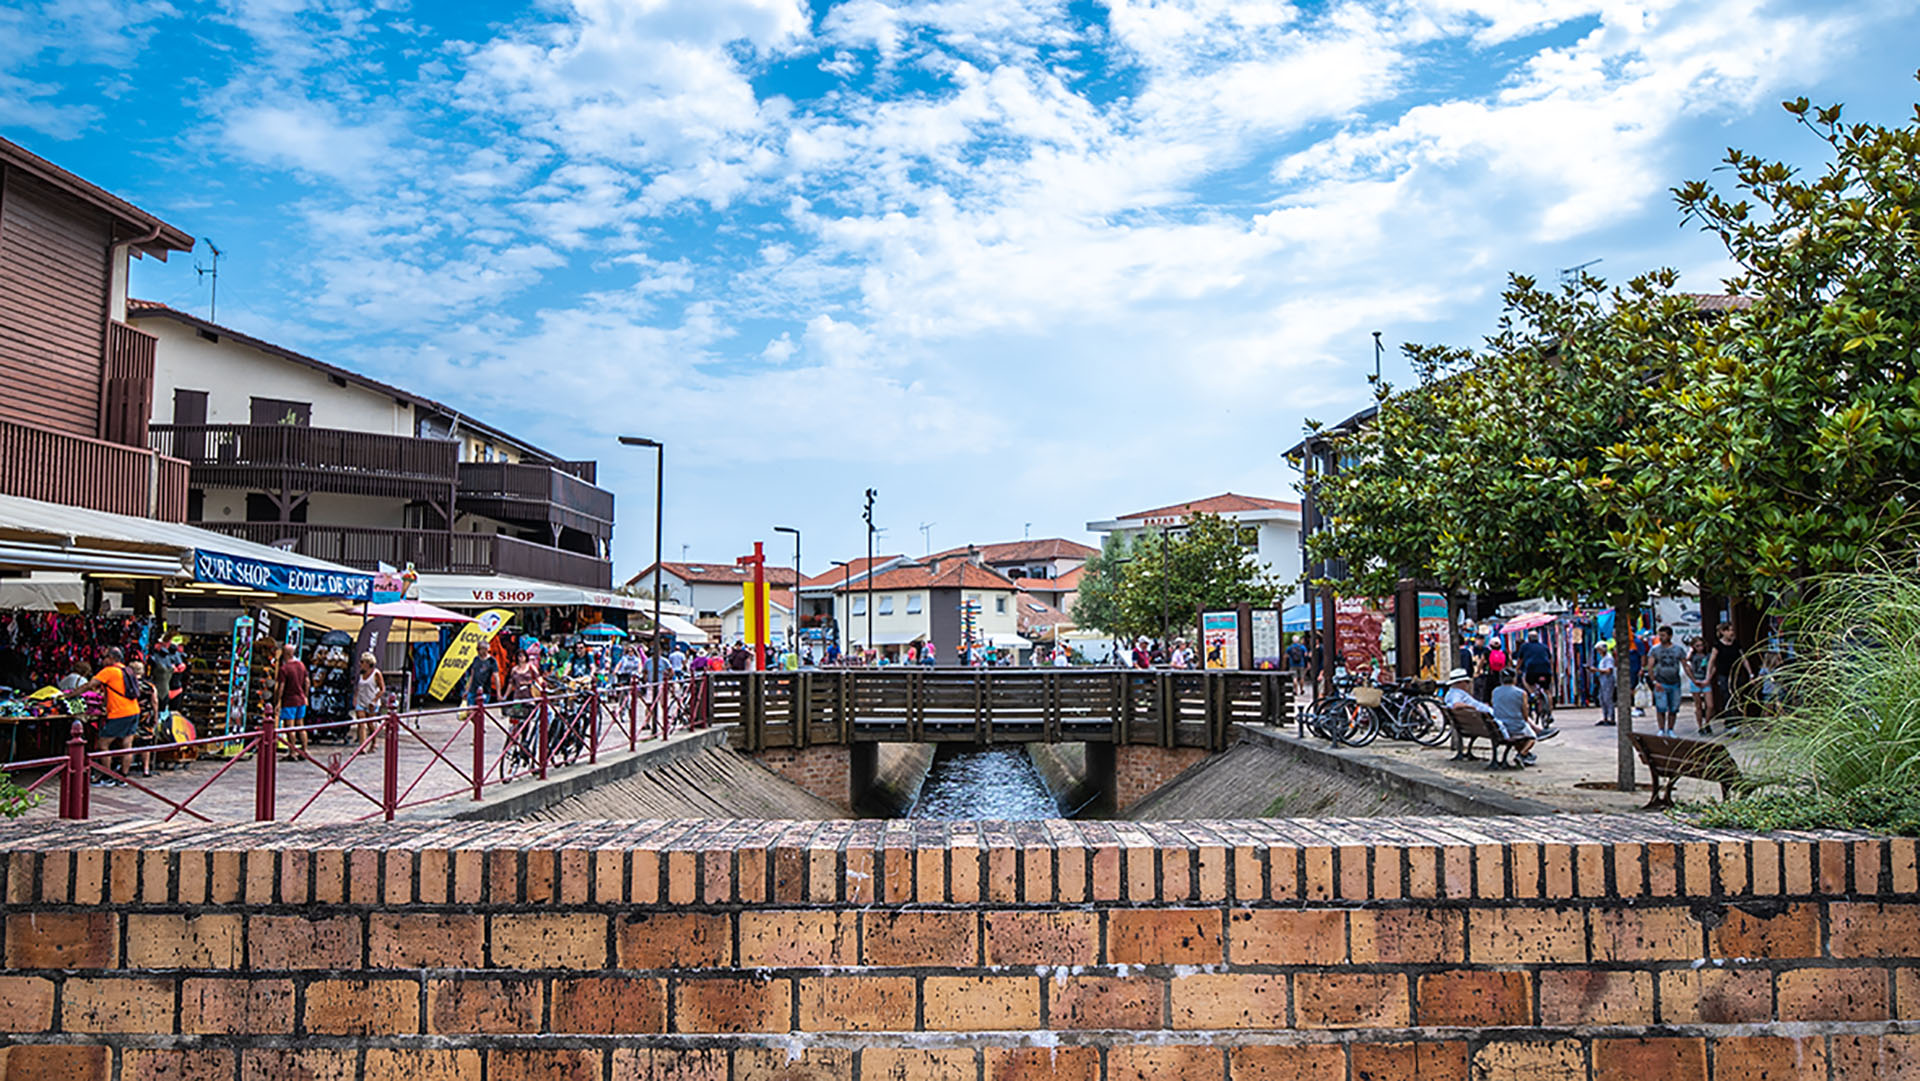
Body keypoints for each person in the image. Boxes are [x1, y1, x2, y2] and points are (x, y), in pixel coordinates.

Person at [69, 647, 140, 787]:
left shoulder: (109, 671)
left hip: (119, 713)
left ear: (112, 658)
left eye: (105, 657)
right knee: (127, 745)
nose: (103, 660)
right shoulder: (127, 670)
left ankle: (107, 775)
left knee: (103, 744)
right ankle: (123, 777)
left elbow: (90, 685)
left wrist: (71, 695)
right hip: (133, 710)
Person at [1704, 623, 1751, 736]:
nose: (1731, 633)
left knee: (1736, 698)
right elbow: (1712, 661)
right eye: (1729, 630)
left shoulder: (1736, 644)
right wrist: (1708, 675)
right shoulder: (1718, 645)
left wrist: (1750, 673)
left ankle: (1734, 721)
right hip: (1723, 675)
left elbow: (1743, 658)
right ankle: (1729, 723)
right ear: (1723, 632)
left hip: (1736, 674)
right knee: (1727, 698)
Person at [1488, 670, 1539, 767]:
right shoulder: (1521, 693)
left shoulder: (1495, 691)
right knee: (1532, 737)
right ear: (1514, 679)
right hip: (1515, 726)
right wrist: (1527, 720)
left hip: (1499, 727)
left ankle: (1525, 755)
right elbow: (1525, 712)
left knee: (1523, 733)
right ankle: (1521, 754)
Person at [1645, 625, 1688, 737]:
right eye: (1660, 635)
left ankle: (1670, 729)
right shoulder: (1655, 650)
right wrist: (1654, 681)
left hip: (1674, 681)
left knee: (1674, 708)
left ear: (1670, 636)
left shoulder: (1678, 650)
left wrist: (1691, 677)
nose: (1661, 637)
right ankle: (1661, 729)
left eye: (1663, 635)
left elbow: (1685, 664)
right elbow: (1650, 666)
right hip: (1661, 681)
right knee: (1661, 707)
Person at [276, 644, 310, 760]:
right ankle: (304, 750)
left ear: (284, 653)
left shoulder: (284, 669)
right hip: (300, 699)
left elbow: (281, 686)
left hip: (289, 700)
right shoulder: (301, 665)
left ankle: (293, 752)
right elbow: (307, 681)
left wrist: (278, 701)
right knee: (300, 725)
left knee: (290, 727)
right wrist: (305, 696)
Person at [353, 652, 386, 747]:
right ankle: (362, 746)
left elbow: (382, 689)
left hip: (371, 701)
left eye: (362, 662)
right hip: (361, 700)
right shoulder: (360, 674)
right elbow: (358, 687)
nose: (360, 664)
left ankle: (374, 742)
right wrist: (355, 698)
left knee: (370, 724)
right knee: (361, 723)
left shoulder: (376, 674)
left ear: (368, 663)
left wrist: (375, 700)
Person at [1686, 637, 1711, 734]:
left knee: (1710, 705)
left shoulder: (1707, 655)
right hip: (1696, 679)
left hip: (1705, 680)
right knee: (1698, 705)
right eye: (1697, 646)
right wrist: (1691, 651)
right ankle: (1700, 725)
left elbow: (1712, 666)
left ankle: (1707, 723)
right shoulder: (1693, 656)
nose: (1700, 648)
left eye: (1701, 645)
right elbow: (1686, 661)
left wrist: (1708, 679)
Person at [1592, 643, 1617, 726]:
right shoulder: (1603, 659)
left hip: (1608, 680)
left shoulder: (1608, 658)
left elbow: (1608, 670)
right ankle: (1605, 717)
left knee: (1608, 699)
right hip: (1603, 680)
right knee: (1602, 698)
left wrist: (1597, 670)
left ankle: (1611, 718)